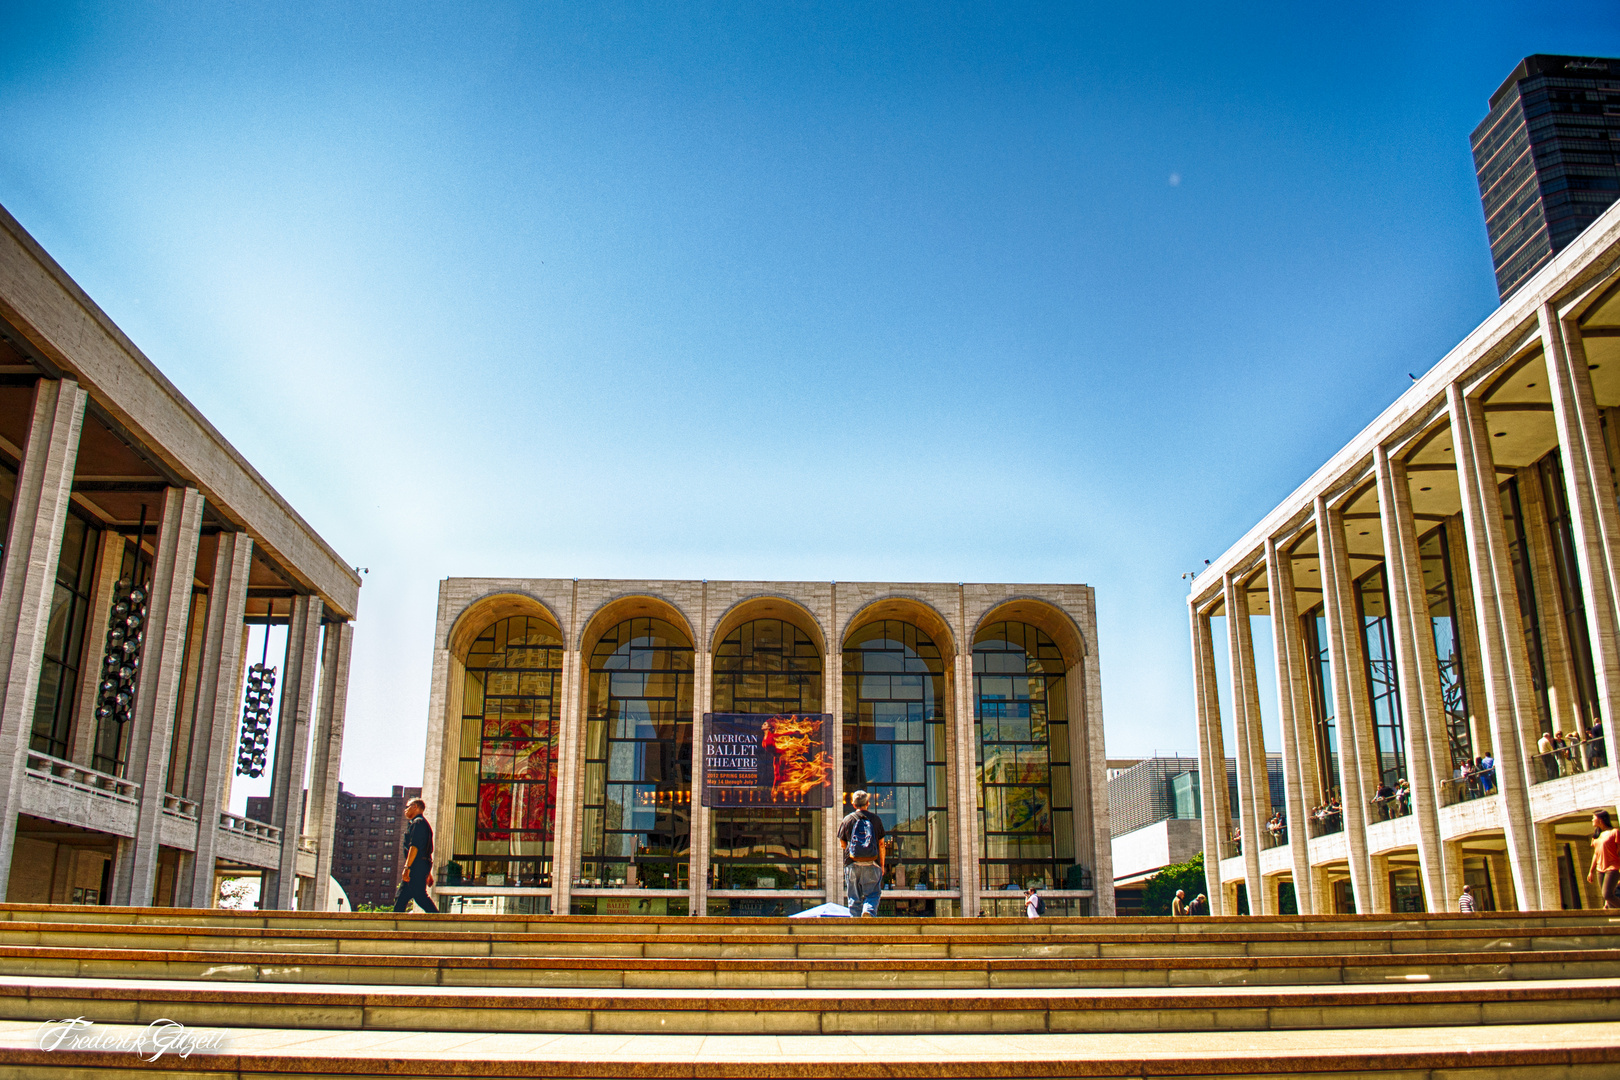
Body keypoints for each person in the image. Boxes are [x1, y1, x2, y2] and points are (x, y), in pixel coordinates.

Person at [837, 789, 886, 917]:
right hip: (872, 862)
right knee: (873, 893)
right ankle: (868, 911)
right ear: (868, 803)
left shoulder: (847, 820)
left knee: (854, 896)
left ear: (853, 805)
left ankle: (855, 925)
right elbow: (881, 844)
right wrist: (882, 865)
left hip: (852, 863)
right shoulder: (876, 820)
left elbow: (842, 844)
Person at [394, 798, 439, 914]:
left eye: (407, 807)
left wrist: (407, 867)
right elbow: (427, 851)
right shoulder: (423, 824)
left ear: (415, 807)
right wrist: (427, 872)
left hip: (416, 866)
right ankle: (395, 925)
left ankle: (440, 921)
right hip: (421, 865)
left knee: (419, 896)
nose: (405, 810)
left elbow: (414, 847)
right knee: (402, 897)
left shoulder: (418, 822)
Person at [1586, 809, 1619, 910]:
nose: (1592, 820)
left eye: (1593, 818)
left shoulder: (1614, 832)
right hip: (1600, 870)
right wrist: (1591, 871)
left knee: (1607, 895)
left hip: (1612, 868)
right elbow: (1596, 854)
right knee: (1607, 899)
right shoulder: (1596, 836)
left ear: (1600, 819)